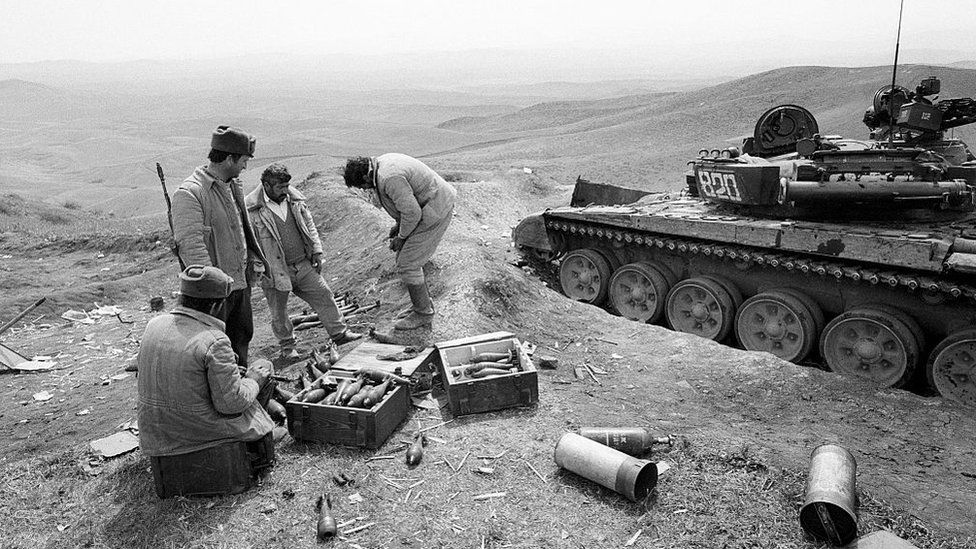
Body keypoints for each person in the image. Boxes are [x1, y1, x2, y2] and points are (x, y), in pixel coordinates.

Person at [137, 265, 275, 460]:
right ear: (216, 305)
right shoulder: (215, 340)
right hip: (196, 435)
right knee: (263, 367)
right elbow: (231, 404)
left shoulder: (154, 324)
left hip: (155, 434)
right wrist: (254, 380)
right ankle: (254, 435)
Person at [171, 125, 270, 367]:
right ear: (229, 158)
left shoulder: (232, 185)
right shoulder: (191, 193)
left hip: (239, 284)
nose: (245, 166)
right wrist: (212, 289)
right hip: (214, 292)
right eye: (244, 160)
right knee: (215, 352)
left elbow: (241, 231)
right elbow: (191, 247)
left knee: (240, 341)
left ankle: (239, 395)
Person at [245, 163, 363, 357]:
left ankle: (340, 334)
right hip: (275, 270)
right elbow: (248, 242)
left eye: (286, 186)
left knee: (324, 294)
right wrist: (257, 268)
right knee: (279, 312)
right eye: (280, 188)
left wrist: (316, 250)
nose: (285, 191)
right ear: (266, 185)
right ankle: (288, 347)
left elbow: (309, 224)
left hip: (303, 264)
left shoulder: (295, 199)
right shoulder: (252, 209)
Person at [343, 153, 456, 330]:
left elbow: (412, 213)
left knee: (408, 263)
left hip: (436, 208)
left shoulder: (389, 178)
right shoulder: (382, 164)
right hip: (431, 203)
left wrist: (401, 238)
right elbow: (405, 203)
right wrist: (399, 225)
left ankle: (423, 313)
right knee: (409, 261)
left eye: (364, 186)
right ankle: (423, 304)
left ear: (366, 176)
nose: (366, 190)